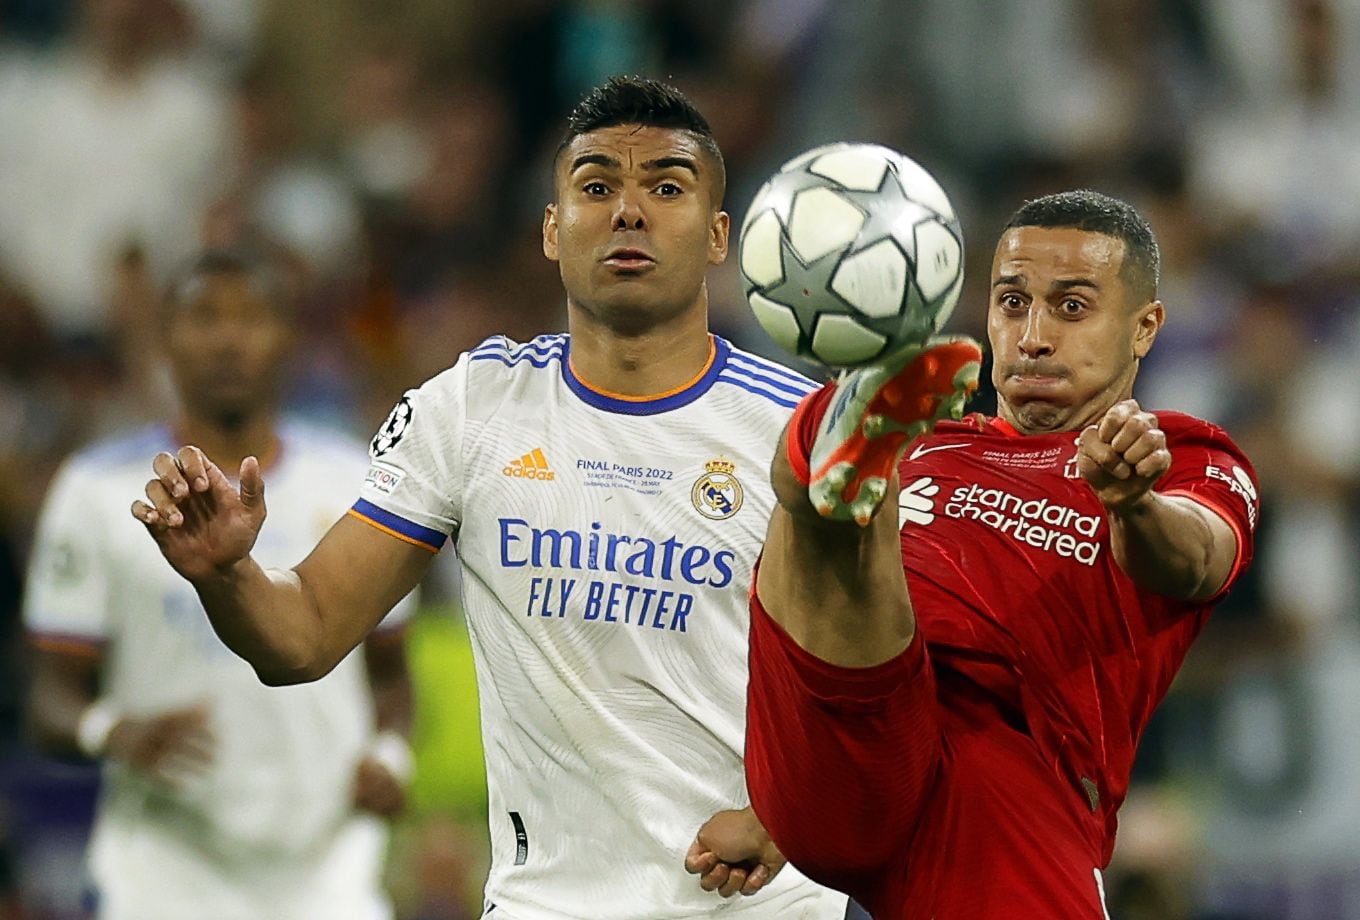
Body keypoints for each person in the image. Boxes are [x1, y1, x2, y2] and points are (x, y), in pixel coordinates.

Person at [128, 76, 848, 920]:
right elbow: (305, 634)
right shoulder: (473, 409)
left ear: (720, 235)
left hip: (765, 907)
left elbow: (896, 678)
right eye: (595, 186)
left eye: (666, 186)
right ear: (551, 229)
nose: (628, 211)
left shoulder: (802, 429)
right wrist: (228, 574)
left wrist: (790, 815)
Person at [737, 190, 1259, 919]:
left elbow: (1198, 557)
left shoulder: (1174, 454)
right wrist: (771, 811)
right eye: (1012, 302)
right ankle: (829, 448)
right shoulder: (928, 437)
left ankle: (831, 441)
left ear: (1144, 328)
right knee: (831, 519)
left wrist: (1132, 502)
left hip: (1004, 782)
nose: (1034, 335)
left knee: (843, 509)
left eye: (1071, 308)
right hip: (843, 730)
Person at [25, 248, 416, 920]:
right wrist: (110, 731)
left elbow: (389, 674)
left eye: (252, 317)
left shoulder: (358, 480)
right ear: (165, 341)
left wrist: (391, 754)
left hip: (325, 868)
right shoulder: (95, 491)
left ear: (288, 338)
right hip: (163, 868)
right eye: (204, 316)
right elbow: (50, 695)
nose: (229, 338)